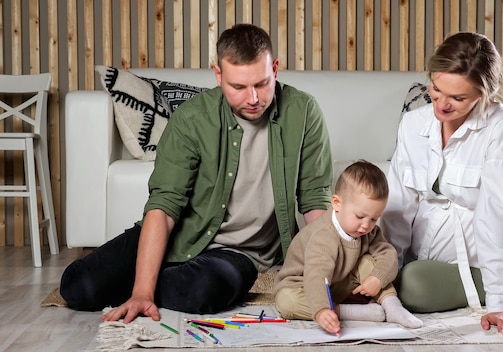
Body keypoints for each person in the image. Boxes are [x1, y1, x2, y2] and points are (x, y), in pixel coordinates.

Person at [59, 23, 333, 324]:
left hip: (241, 254)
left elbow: (314, 203)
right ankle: (148, 274)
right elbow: (164, 207)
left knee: (204, 290)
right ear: (218, 75)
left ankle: (151, 276)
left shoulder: (303, 111)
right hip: (181, 235)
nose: (253, 98)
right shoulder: (192, 118)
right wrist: (141, 291)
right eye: (238, 87)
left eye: (261, 83)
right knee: (78, 287)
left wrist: (325, 270)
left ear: (276, 69)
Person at [380, 32, 503, 334]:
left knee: (414, 286)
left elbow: (494, 216)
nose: (442, 104)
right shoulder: (413, 125)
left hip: (470, 259)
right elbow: (398, 207)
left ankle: (484, 286)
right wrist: (385, 270)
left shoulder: (501, 129)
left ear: (483, 94)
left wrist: (499, 304)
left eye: (458, 98)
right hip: (420, 254)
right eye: (436, 89)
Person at [274, 160, 423, 335]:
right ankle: (347, 312)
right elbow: (316, 276)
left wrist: (377, 278)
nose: (366, 225)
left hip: (339, 282)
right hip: (305, 285)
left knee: (368, 261)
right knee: (287, 301)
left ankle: (392, 306)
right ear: (337, 203)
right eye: (360, 216)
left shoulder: (368, 230)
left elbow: (388, 254)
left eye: (374, 218)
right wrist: (322, 310)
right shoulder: (323, 236)